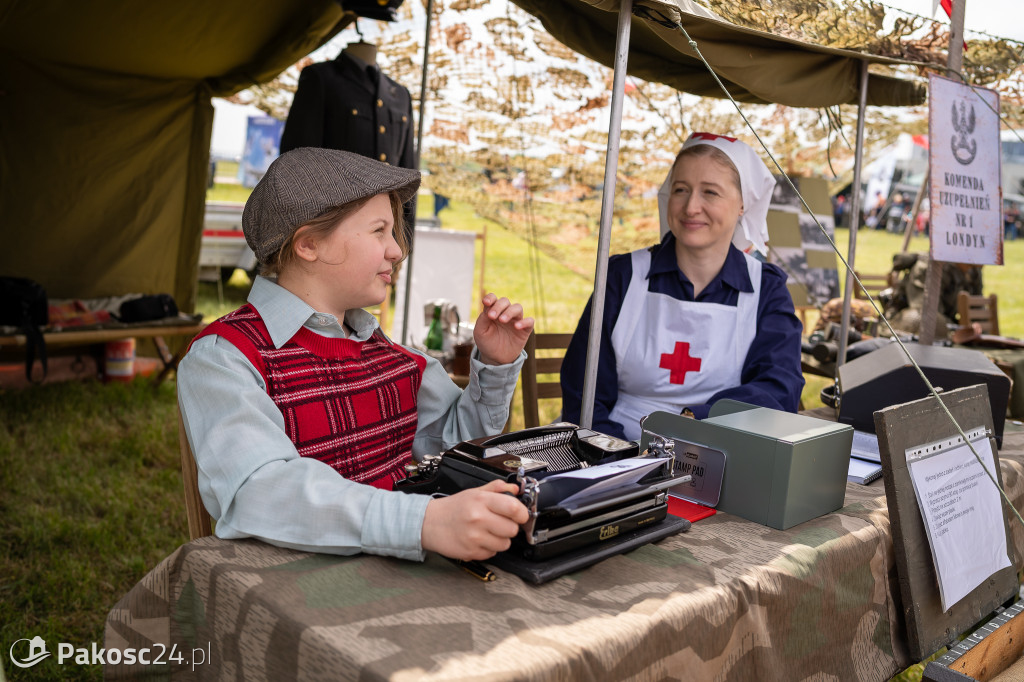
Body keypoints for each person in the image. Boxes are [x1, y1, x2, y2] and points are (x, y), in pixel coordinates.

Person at [177, 147, 533, 562]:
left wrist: (494, 366)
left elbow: (455, 445)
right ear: (309, 244)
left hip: (394, 581)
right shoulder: (225, 358)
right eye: (379, 231)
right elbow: (260, 488)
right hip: (293, 595)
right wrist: (422, 522)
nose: (397, 250)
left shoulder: (394, 358)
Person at [560, 133, 804, 441]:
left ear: (743, 204)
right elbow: (584, 395)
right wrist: (624, 463)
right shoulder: (621, 277)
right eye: (681, 190)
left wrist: (694, 422)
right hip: (613, 453)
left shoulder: (766, 290)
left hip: (721, 454)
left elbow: (778, 392)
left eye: (710, 193)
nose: (691, 207)